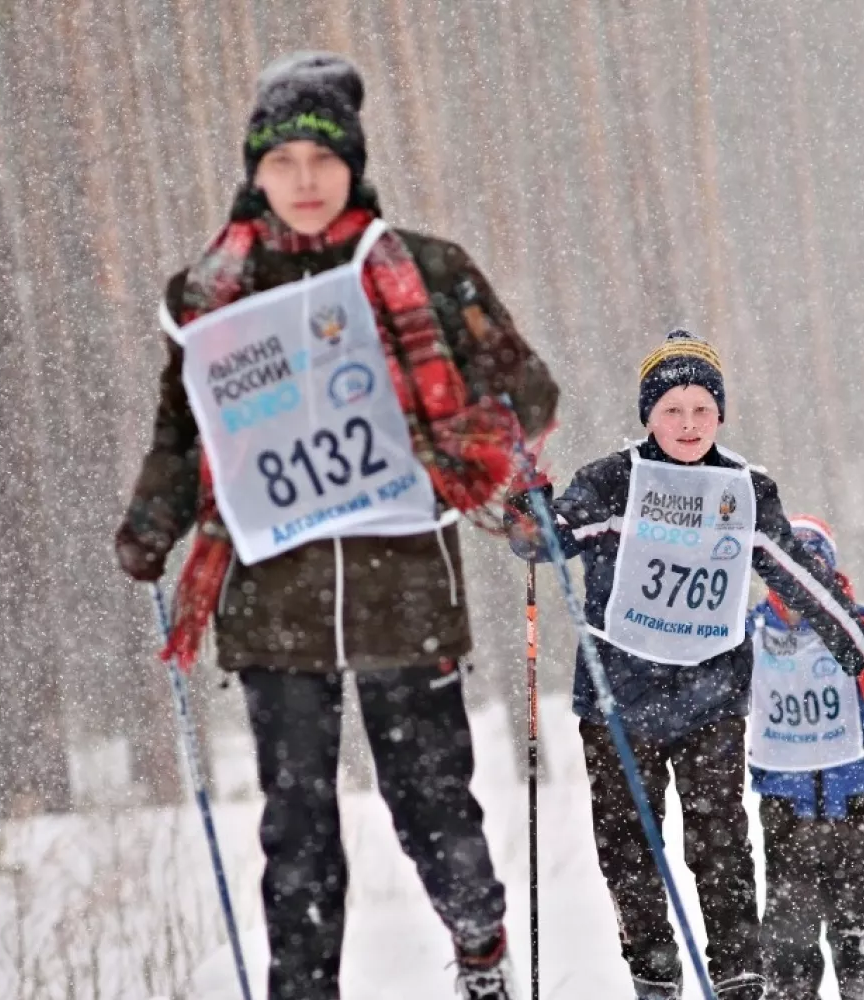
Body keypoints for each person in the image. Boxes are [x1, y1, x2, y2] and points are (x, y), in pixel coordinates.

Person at [114, 51, 558, 1000]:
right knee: (298, 823)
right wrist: (152, 525)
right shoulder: (210, 297)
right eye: (284, 164)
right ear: (255, 174)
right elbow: (182, 436)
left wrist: (450, 419)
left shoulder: (426, 270)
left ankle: (480, 946)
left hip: (403, 579)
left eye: (323, 160)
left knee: (431, 801)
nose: (305, 182)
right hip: (275, 591)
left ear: (352, 164)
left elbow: (528, 391)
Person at [504, 329, 864, 1000]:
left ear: (720, 415)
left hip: (710, 692)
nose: (687, 425)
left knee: (720, 846)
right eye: (671, 411)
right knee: (629, 847)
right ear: (648, 416)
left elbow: (798, 575)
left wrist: (855, 648)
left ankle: (740, 975)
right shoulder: (612, 481)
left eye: (701, 411)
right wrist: (524, 494)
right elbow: (544, 540)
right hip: (619, 698)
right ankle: (654, 967)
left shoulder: (744, 490)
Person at [746, 516, 864, 1000]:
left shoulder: (853, 626)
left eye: (813, 564)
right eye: (792, 564)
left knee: (853, 914)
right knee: (789, 927)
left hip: (853, 792)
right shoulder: (751, 632)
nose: (803, 576)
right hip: (785, 798)